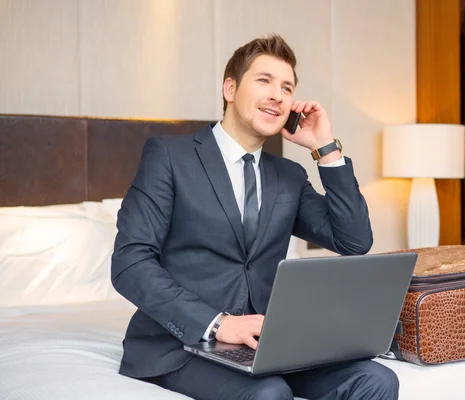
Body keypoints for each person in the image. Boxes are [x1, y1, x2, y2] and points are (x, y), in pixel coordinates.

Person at [111, 34, 399, 400]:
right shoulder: (169, 157)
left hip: (272, 345)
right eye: (264, 80)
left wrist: (324, 148)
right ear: (230, 88)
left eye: (287, 87)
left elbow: (354, 241)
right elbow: (129, 263)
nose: (277, 95)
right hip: (183, 342)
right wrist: (218, 325)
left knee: (378, 380)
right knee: (269, 393)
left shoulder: (289, 177)